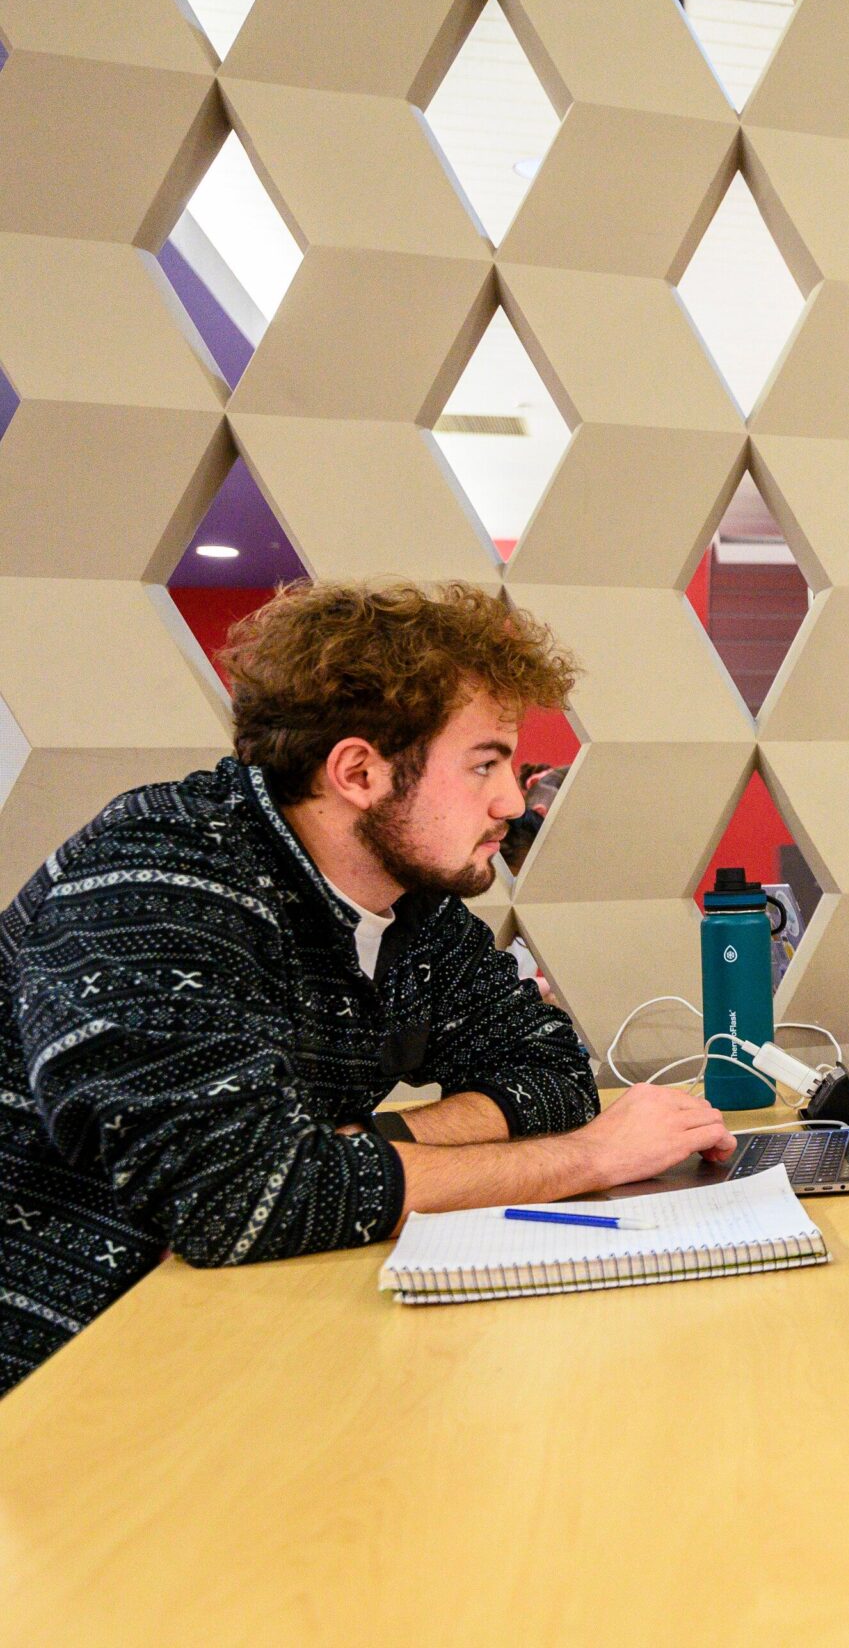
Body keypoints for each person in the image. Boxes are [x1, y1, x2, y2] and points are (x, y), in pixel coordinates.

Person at [0, 582, 735, 1394]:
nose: (510, 800)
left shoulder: (410, 902)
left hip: (229, 1328)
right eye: (485, 764)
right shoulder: (160, 876)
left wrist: (357, 1146)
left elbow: (549, 1072)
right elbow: (234, 1200)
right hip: (59, 1374)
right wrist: (594, 1156)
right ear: (358, 771)